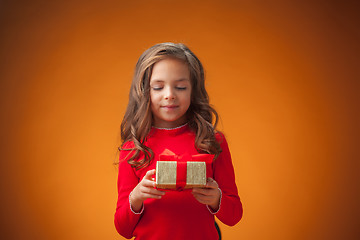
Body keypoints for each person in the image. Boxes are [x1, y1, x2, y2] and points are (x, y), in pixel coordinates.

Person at [114, 42, 243, 240]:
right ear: (144, 91)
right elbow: (123, 229)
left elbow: (234, 215)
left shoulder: (212, 141)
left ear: (193, 90)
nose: (169, 95)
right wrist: (136, 197)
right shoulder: (133, 148)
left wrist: (217, 199)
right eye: (158, 87)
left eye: (180, 87)